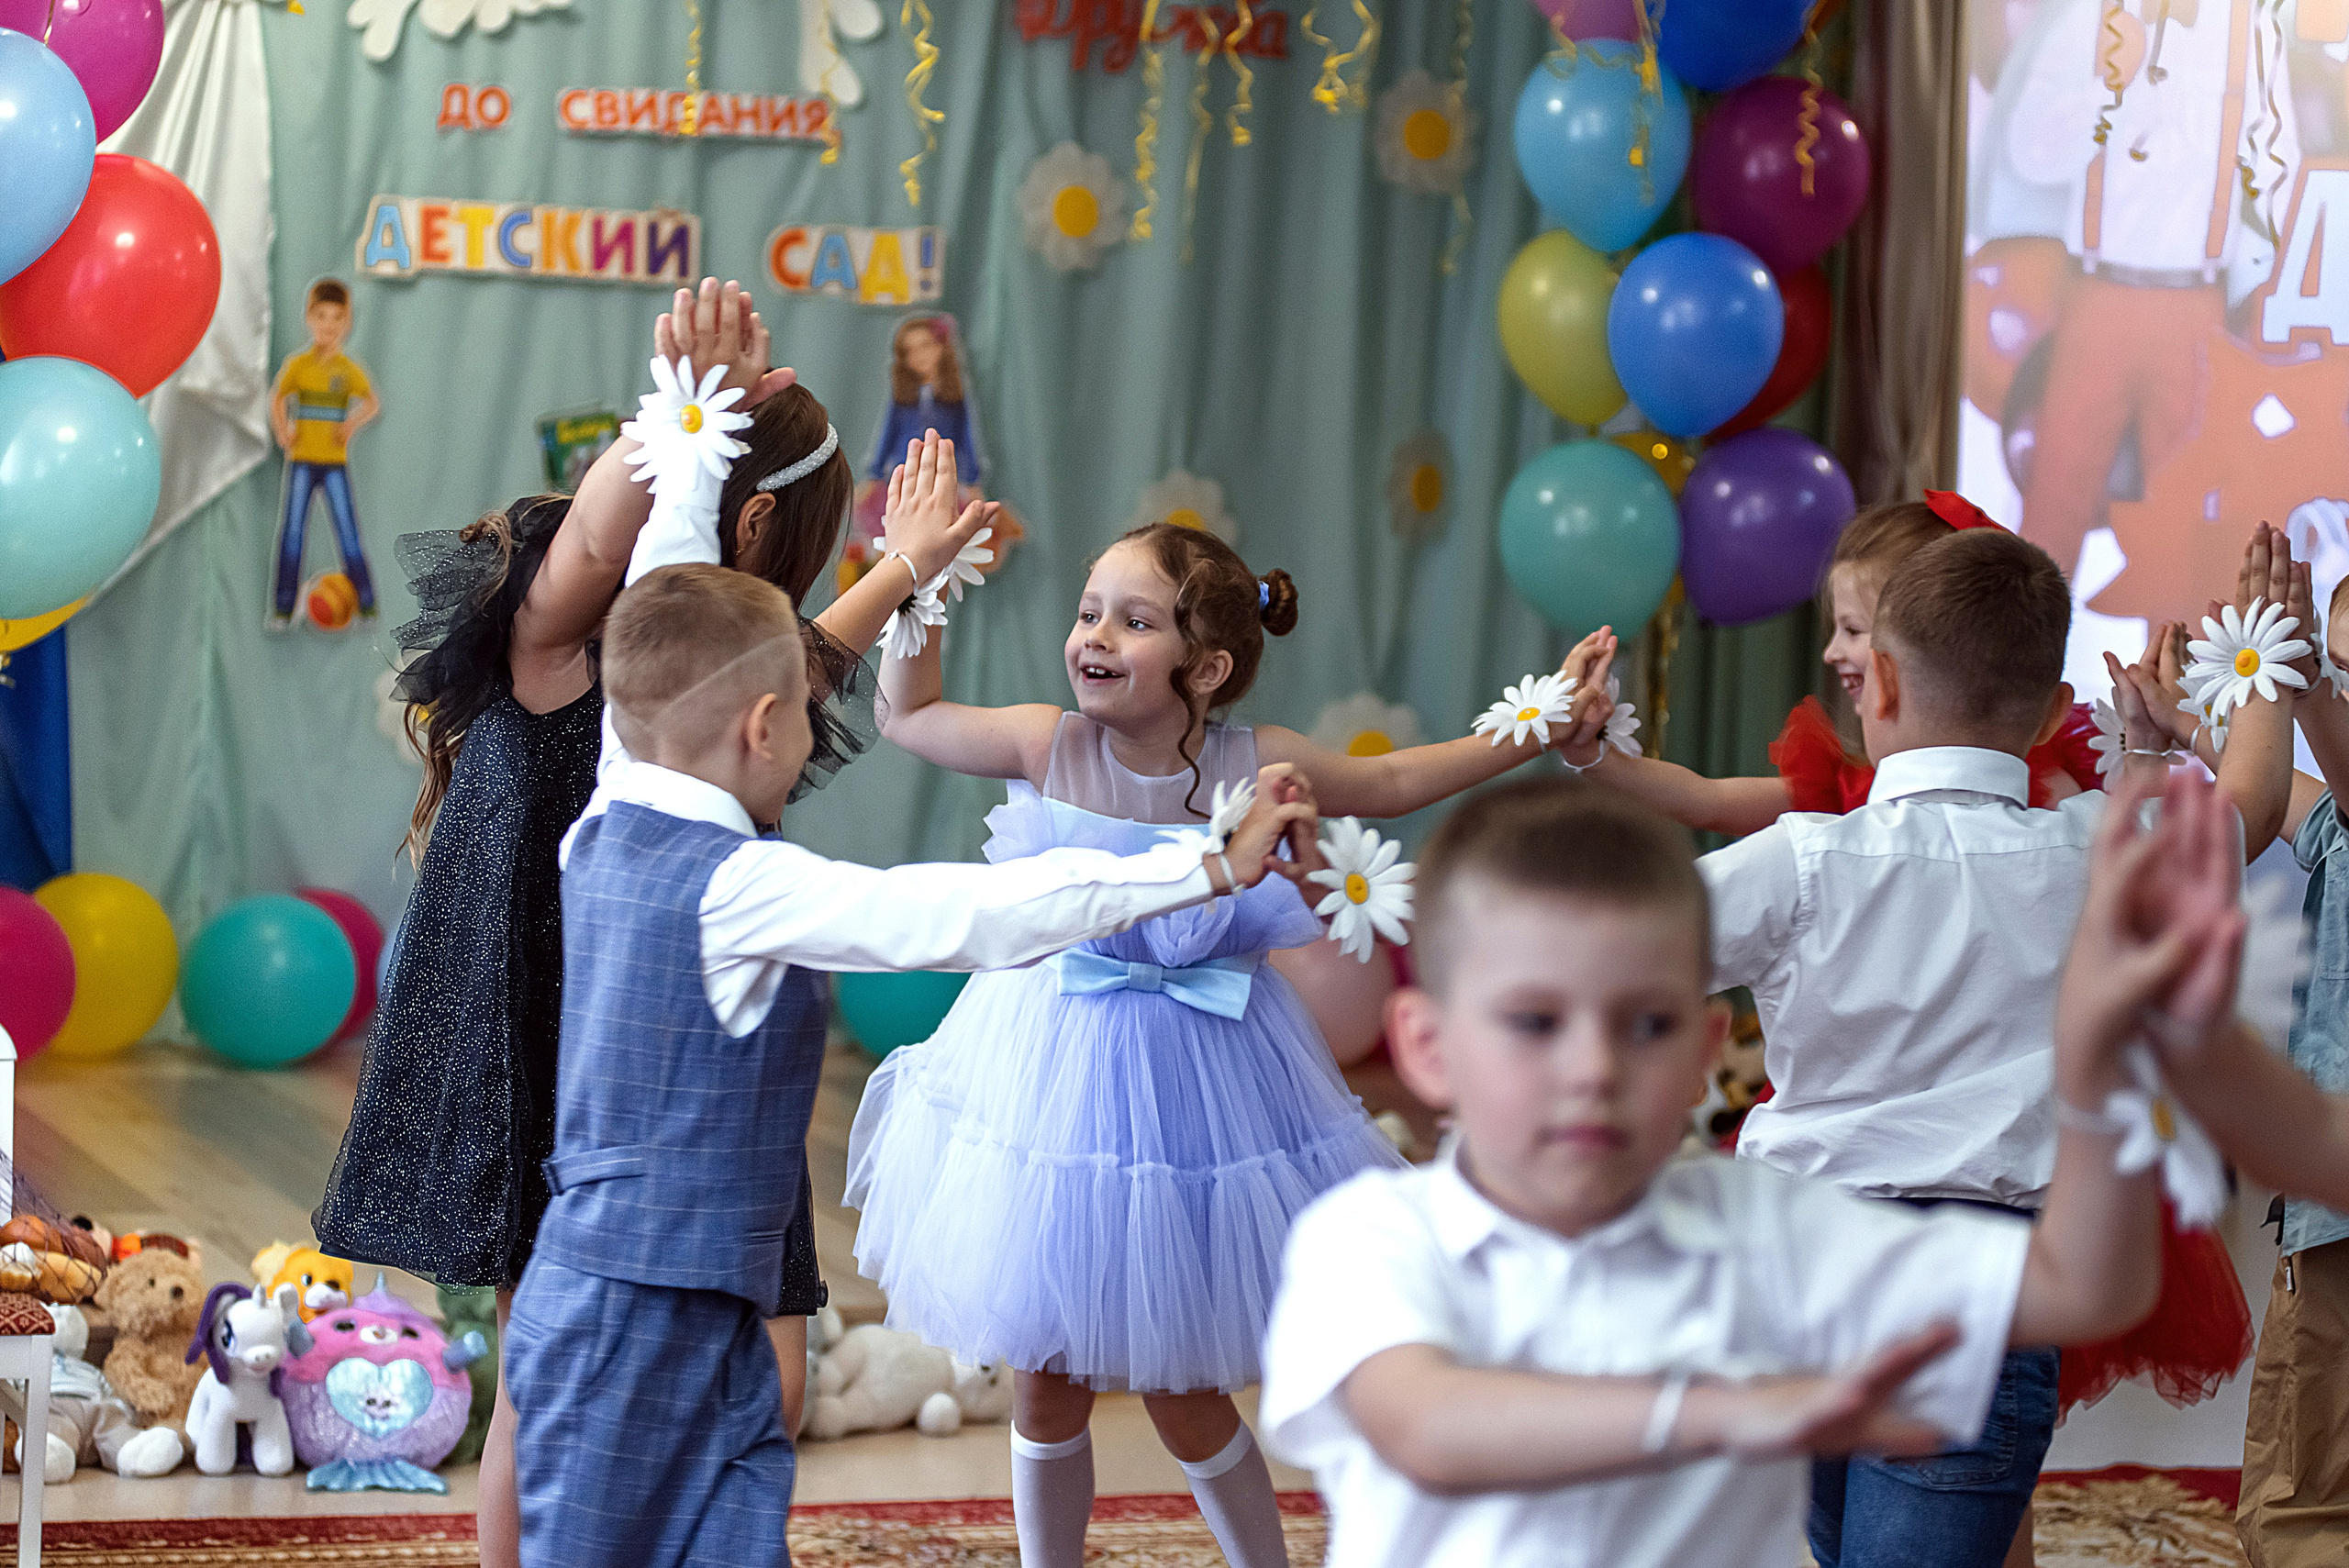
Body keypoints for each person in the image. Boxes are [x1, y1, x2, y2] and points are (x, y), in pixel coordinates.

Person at [312, 279, 985, 1568]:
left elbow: (802, 663)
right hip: (536, 1008)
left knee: (756, 1371)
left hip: (682, 1021)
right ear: (762, 513)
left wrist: (909, 563)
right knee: (553, 1372)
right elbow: (593, 544)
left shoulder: (717, 655)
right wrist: (685, 410)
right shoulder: (567, 619)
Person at [506, 562, 1321, 1568]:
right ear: (764, 728)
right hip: (655, 1316)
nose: (817, 736)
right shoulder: (746, 883)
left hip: (603, 1288)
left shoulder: (609, 809)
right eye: (811, 717)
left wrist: (696, 448)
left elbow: (659, 618)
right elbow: (970, 913)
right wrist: (1201, 865)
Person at [847, 522, 1616, 1568]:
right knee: (1044, 1368)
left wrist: (1543, 719)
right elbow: (912, 713)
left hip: (1202, 1079)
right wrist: (918, 583)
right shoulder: (1048, 743)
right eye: (1088, 612)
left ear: (1205, 665)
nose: (1094, 636)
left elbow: (1393, 785)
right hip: (1047, 1073)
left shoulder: (1262, 763)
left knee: (1184, 1387)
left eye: (1133, 618)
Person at [1258, 767, 2241, 1568]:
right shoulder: (1369, 1237)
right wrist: (1729, 1409)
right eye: (1534, 1021)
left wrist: (2105, 1061)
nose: (1593, 1068)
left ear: (1702, 1047)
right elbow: (1430, 1421)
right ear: (1427, 1046)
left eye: (1644, 1023)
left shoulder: (1766, 1222)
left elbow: (2082, 1288)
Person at [1587, 528, 2138, 1565]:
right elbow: (2239, 816)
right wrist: (2182, 735)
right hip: (1983, 1285)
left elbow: (1602, 956)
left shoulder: (1801, 858)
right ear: (2058, 711)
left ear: (1874, 680)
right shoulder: (2100, 844)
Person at [2121, 527, 2349, 1568]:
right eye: (2333, 660)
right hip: (2327, 1203)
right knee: (2301, 1469)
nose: (2333, 681)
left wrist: (2292, 680)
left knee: (2311, 1487)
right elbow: (2290, 802)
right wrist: (2193, 732)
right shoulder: (2335, 825)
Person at [1574, 493, 2099, 836]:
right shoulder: (1850, 784)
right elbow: (1709, 800)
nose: (1830, 652)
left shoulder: (2053, 803)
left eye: (1852, 630)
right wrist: (1595, 755)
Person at [269, 278, 382, 628]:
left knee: (347, 531)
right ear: (309, 319)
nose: (329, 326)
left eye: (337, 318)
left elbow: (372, 402)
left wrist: (349, 425)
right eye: (321, 317)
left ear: (346, 323)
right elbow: (277, 398)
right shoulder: (298, 365)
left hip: (334, 464)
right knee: (292, 533)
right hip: (303, 461)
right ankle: (283, 608)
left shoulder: (347, 369)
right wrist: (283, 430)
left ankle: (366, 605)